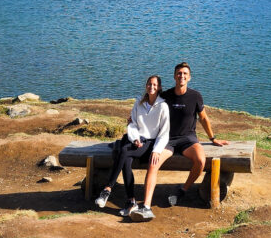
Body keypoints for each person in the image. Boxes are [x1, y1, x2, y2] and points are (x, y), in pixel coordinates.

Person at [132, 61, 228, 221]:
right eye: (179, 73)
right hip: (167, 140)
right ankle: (146, 206)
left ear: (189, 77)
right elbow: (148, 106)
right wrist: (134, 118)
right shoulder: (165, 95)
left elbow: (203, 118)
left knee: (200, 161)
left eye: (184, 74)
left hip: (188, 139)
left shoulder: (195, 96)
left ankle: (183, 189)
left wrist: (213, 138)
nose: (181, 76)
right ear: (174, 76)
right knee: (153, 162)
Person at [95, 75, 169, 218]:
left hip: (151, 144)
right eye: (149, 84)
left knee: (123, 150)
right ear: (146, 86)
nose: (151, 87)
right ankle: (131, 202)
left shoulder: (163, 106)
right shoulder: (138, 103)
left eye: (154, 85)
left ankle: (108, 188)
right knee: (126, 162)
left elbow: (164, 133)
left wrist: (157, 151)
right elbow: (132, 124)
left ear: (159, 87)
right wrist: (135, 139)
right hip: (136, 142)